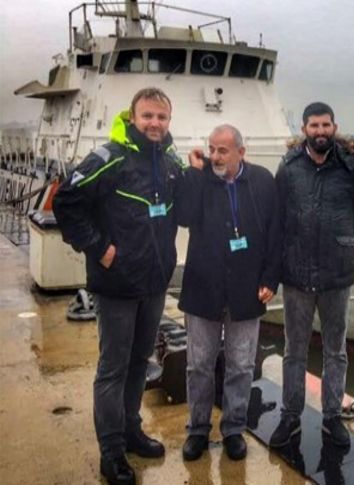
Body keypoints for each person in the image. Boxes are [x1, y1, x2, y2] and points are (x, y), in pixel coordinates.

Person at [53, 87, 184, 485]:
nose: (154, 124)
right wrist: (99, 248)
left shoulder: (171, 162)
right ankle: (111, 452)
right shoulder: (109, 157)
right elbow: (66, 201)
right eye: (147, 116)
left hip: (153, 282)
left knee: (140, 362)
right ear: (133, 117)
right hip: (116, 284)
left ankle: (131, 430)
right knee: (113, 367)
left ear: (168, 120)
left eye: (161, 117)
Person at [269, 102, 354, 447]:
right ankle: (290, 417)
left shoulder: (349, 167)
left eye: (325, 125)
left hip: (336, 276)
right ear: (304, 129)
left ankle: (332, 417)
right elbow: (277, 217)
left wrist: (344, 242)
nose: (320, 131)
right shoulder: (289, 168)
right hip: (297, 276)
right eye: (313, 125)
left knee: (335, 351)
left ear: (334, 127)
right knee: (294, 350)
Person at [177, 125, 281, 461]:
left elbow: (275, 232)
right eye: (212, 149)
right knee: (199, 366)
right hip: (202, 288)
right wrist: (193, 173)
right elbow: (183, 215)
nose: (215, 157)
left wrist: (270, 278)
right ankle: (197, 430)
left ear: (241, 151)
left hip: (245, 291)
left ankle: (234, 429)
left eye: (223, 150)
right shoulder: (201, 178)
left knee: (240, 365)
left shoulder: (263, 181)